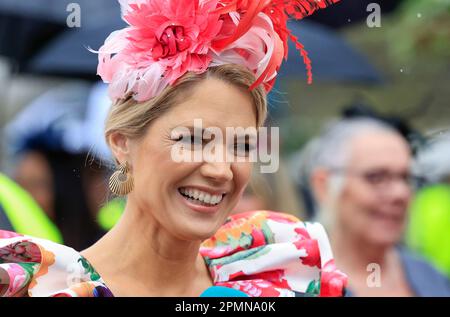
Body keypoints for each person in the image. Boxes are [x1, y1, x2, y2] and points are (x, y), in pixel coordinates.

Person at [0, 0, 346, 297]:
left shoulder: (275, 272)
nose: (220, 169)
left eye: (242, 145)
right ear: (122, 143)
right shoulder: (47, 287)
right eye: (192, 140)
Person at [305, 118, 450, 296]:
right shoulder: (295, 284)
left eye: (405, 178)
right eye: (376, 177)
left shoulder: (433, 279)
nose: (400, 193)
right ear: (324, 186)